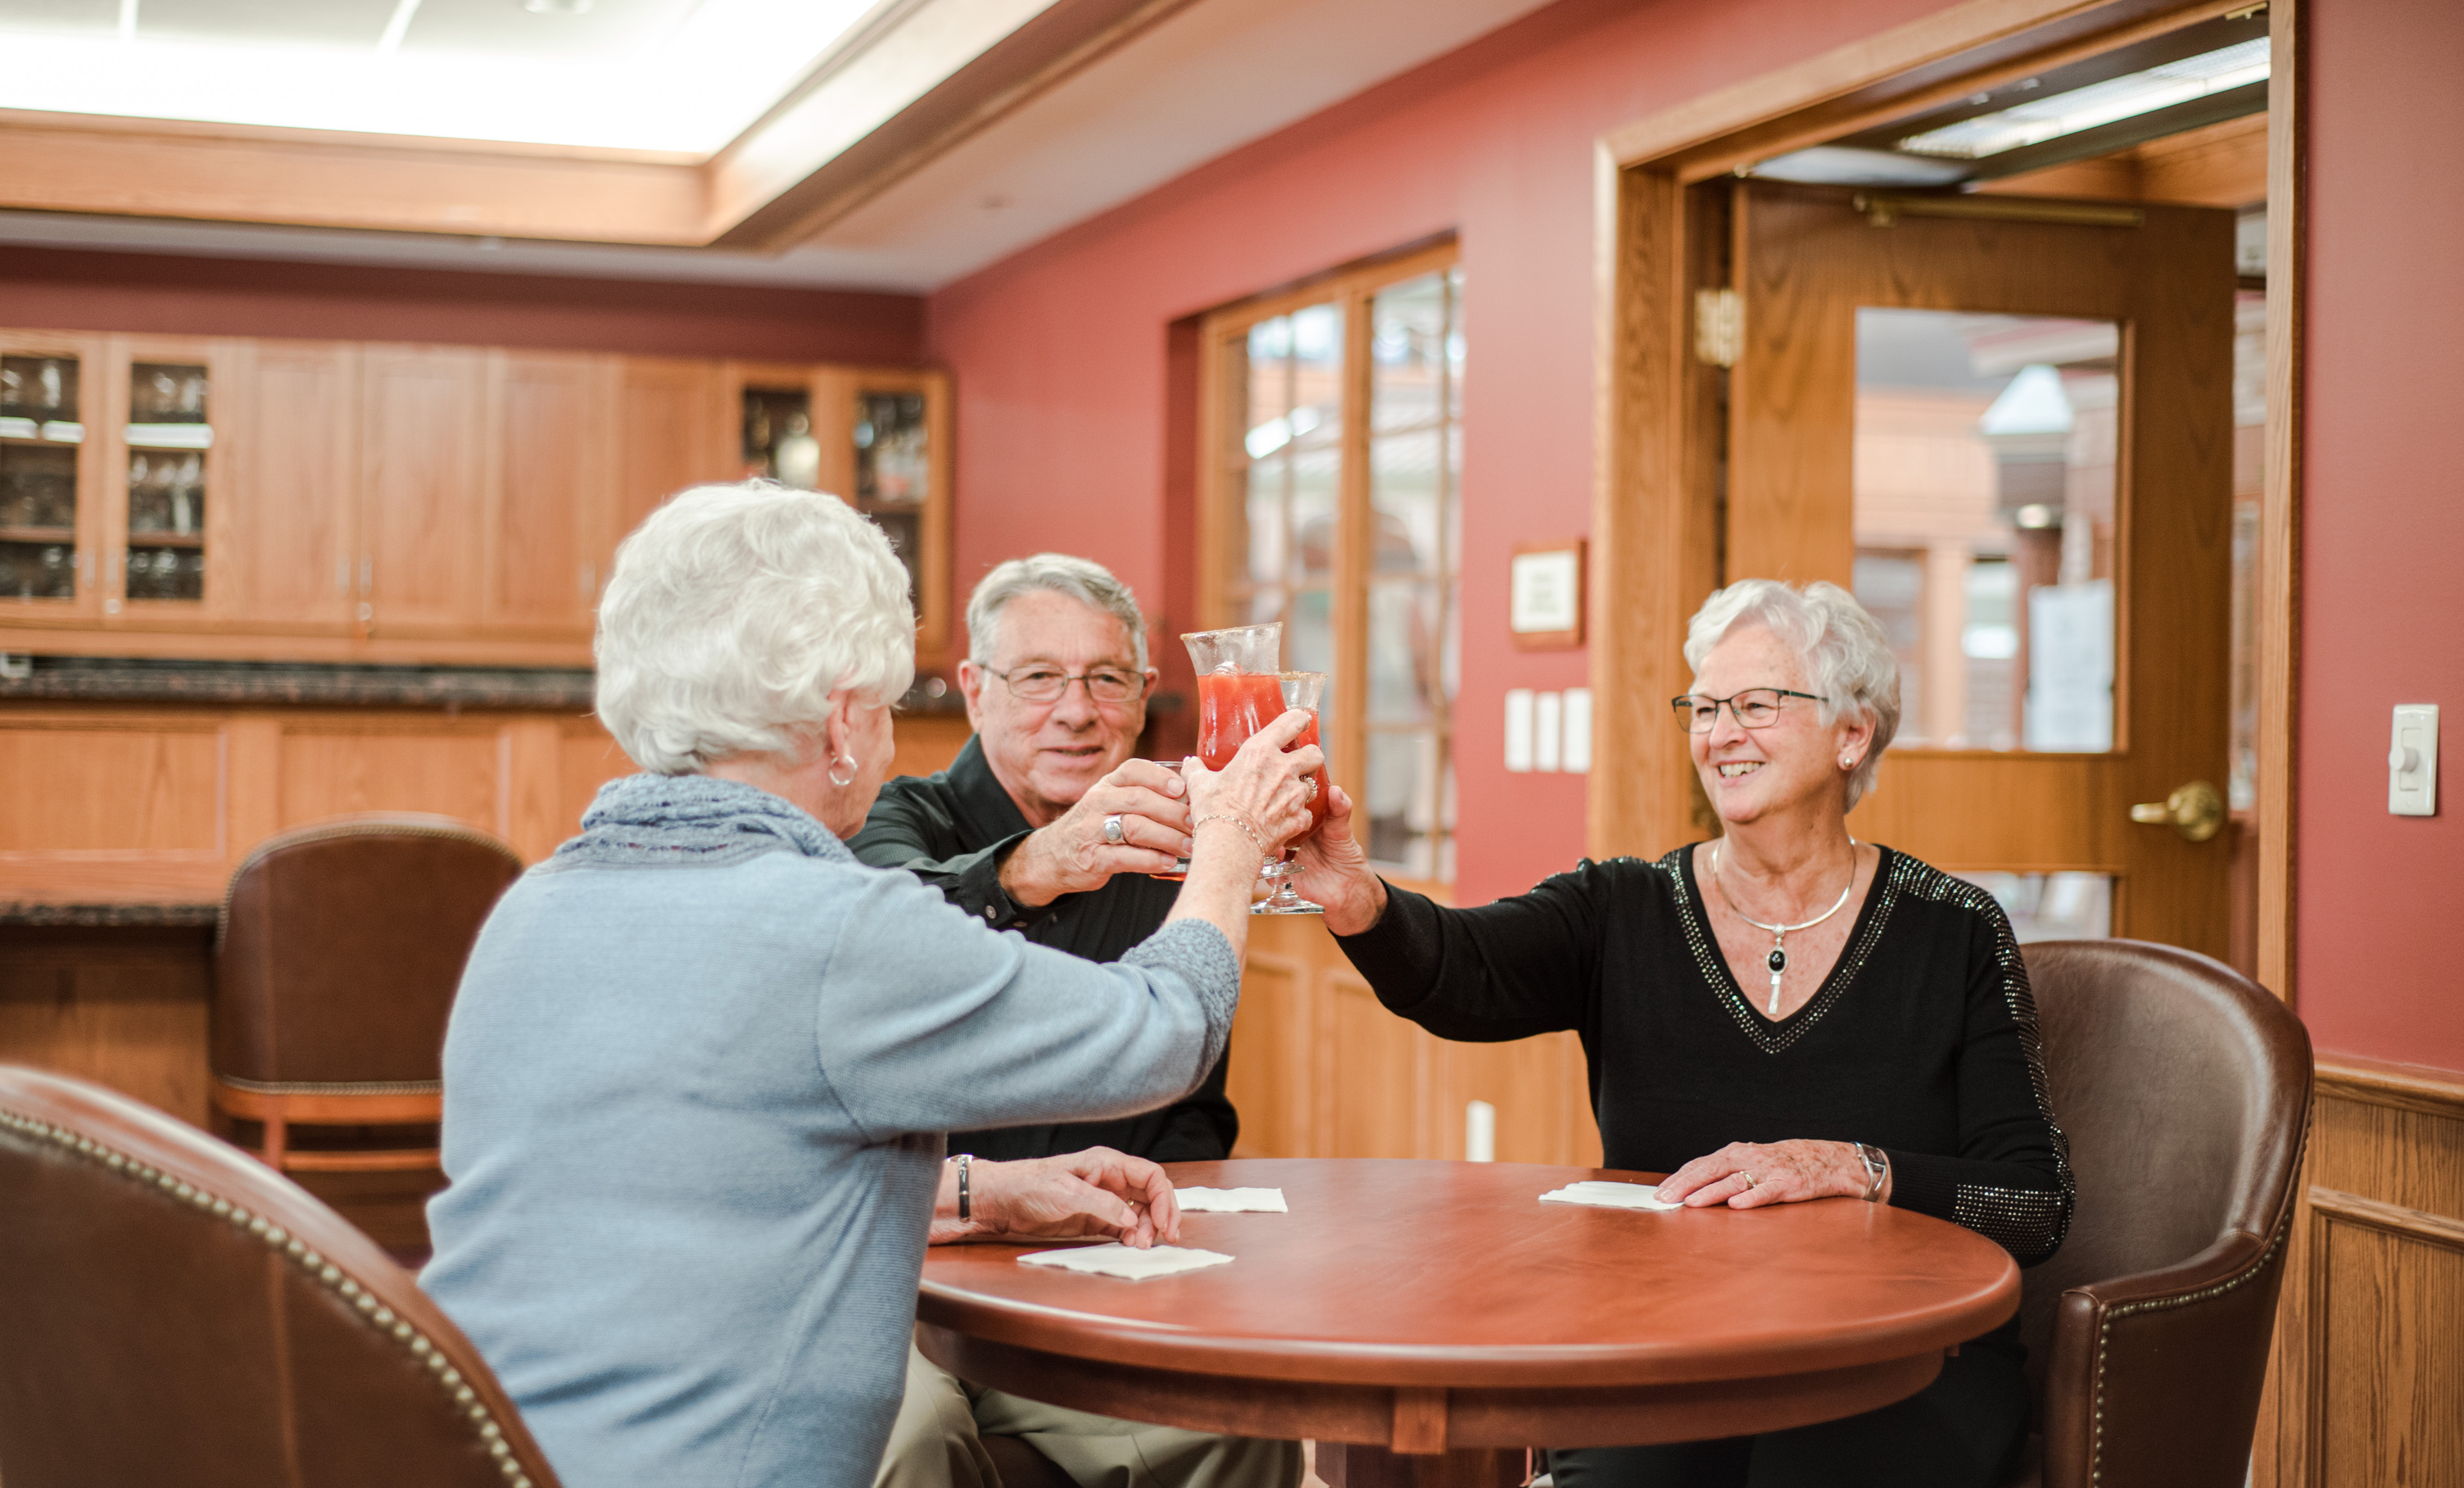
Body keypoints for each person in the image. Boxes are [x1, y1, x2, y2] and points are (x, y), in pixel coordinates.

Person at [420, 483, 1322, 1488]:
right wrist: (1233, 841)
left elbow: (715, 1171)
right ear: (845, 720)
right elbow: (1166, 1031)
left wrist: (986, 1190)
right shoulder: (835, 926)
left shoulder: (529, 911)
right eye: (893, 704)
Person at [1287, 578, 2073, 1488]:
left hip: (1897, 1363)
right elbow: (1463, 972)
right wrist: (1360, 901)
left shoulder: (1954, 928)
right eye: (1701, 707)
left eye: (1754, 704)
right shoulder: (1624, 907)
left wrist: (1854, 1166)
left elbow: (2031, 1202)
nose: (1718, 732)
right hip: (1668, 1363)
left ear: (1851, 733)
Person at [853, 553, 1302, 1488]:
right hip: (900, 1276)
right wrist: (1035, 863)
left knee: (1242, 1418)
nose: (1074, 709)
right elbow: (889, 928)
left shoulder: (1179, 852)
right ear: (975, 690)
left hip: (1084, 1275)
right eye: (1038, 677)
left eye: (1104, 678)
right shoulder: (898, 821)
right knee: (909, 1436)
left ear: (1142, 696)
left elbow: (1191, 1107)